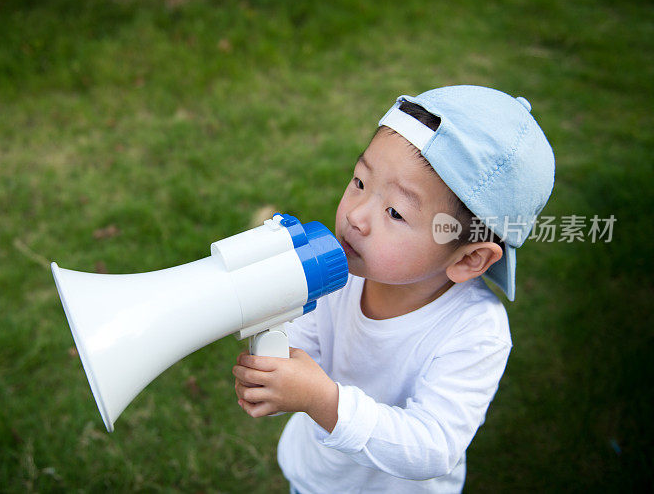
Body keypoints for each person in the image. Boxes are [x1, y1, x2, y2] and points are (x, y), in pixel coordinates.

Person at [232, 85, 556, 493]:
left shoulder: (476, 333)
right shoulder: (338, 276)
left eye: (395, 213)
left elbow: (433, 446)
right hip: (315, 479)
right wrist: (274, 368)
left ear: (467, 259)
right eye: (360, 182)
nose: (356, 216)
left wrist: (322, 400)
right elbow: (302, 354)